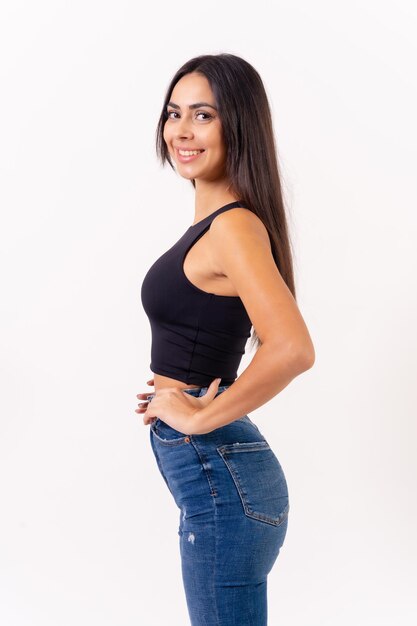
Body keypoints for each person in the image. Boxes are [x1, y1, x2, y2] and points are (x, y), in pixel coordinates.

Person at [135, 53, 315, 625]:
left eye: (203, 115)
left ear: (236, 125)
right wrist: (178, 396)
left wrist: (193, 417)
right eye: (173, 113)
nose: (181, 131)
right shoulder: (217, 226)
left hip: (221, 477)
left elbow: (292, 348)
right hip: (222, 476)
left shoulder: (233, 227)